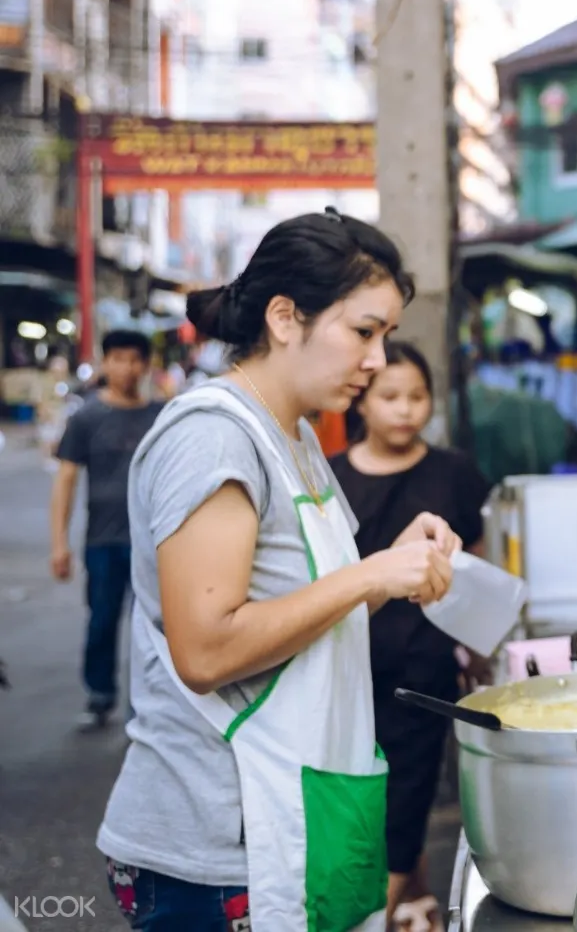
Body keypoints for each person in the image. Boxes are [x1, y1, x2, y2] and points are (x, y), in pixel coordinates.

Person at [97, 210, 460, 932]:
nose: (379, 360)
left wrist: (393, 571)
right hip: (214, 843)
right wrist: (367, 576)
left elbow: (308, 615)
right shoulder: (213, 437)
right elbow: (205, 651)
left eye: (385, 336)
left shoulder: (292, 435)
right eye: (364, 331)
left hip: (300, 808)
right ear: (285, 317)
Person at [328, 341, 494, 932]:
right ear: (362, 403)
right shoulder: (331, 477)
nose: (405, 409)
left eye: (417, 397)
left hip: (424, 670)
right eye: (390, 396)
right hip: (346, 666)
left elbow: (474, 561)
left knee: (408, 799)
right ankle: (402, 900)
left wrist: (477, 651)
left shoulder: (455, 472)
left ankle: (391, 904)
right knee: (355, 800)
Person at [49, 329, 164, 730]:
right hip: (102, 541)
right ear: (105, 363)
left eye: (134, 359)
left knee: (151, 629)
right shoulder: (86, 418)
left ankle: (145, 705)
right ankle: (100, 695)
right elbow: (65, 480)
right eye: (117, 359)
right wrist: (59, 544)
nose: (126, 368)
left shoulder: (162, 415)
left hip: (153, 543)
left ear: (146, 365)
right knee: (102, 620)